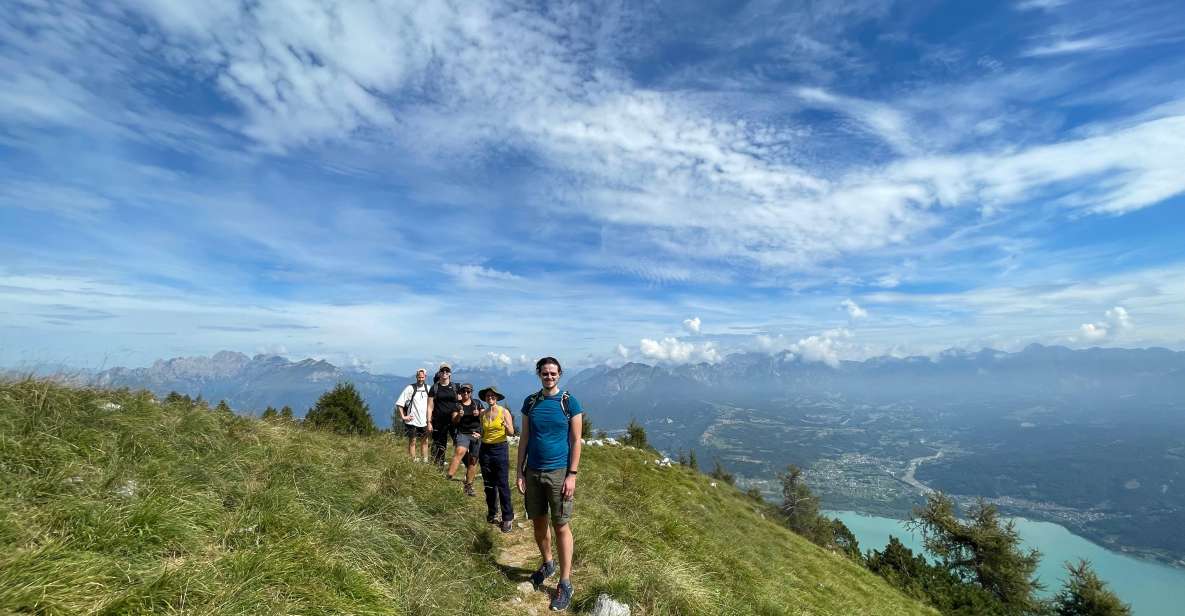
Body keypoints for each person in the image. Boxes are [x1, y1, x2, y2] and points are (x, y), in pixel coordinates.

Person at [516, 356, 583, 612]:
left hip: (558, 473)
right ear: (539, 374)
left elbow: (576, 440)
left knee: (561, 526)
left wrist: (572, 474)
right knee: (538, 522)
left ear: (559, 374)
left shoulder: (569, 403)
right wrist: (519, 472)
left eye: (553, 373)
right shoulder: (531, 402)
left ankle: (565, 583)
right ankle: (548, 563)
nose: (549, 377)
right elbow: (524, 438)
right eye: (545, 373)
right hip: (532, 471)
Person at [478, 385, 515, 533]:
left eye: (493, 396)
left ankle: (507, 517)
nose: (490, 398)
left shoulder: (504, 412)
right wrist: (477, 436)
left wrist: (506, 426)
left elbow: (512, 432)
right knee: (488, 484)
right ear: (485, 398)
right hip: (485, 449)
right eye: (488, 396)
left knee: (502, 483)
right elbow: (482, 432)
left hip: (500, 448)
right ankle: (492, 512)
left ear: (497, 398)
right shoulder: (483, 414)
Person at [446, 383, 483, 496]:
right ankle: (448, 478)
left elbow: (485, 416)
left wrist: (479, 414)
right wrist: (459, 416)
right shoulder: (457, 405)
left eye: (468, 391)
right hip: (463, 433)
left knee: (473, 460)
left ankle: (469, 486)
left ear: (471, 393)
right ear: (460, 393)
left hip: (476, 434)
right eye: (463, 391)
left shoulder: (477, 403)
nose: (466, 393)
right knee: (460, 452)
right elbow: (454, 420)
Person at [426, 363, 461, 466]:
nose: (445, 373)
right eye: (442, 371)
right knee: (439, 446)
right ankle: (437, 470)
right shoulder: (434, 388)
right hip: (439, 422)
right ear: (439, 373)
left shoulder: (455, 387)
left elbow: (461, 403)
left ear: (450, 373)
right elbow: (430, 406)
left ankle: (463, 467)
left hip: (454, 421)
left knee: (460, 444)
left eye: (447, 371)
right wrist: (429, 422)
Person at [395, 368, 430, 462]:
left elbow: (432, 404)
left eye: (422, 377)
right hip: (412, 421)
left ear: (425, 377)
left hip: (425, 421)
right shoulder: (410, 388)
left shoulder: (428, 388)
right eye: (419, 377)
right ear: (416, 377)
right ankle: (413, 461)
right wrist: (403, 416)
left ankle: (425, 461)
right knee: (412, 442)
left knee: (425, 441)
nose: (421, 379)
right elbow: (399, 403)